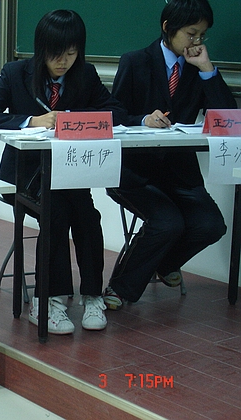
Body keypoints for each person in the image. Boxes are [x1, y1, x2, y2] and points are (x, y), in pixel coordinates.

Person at [0, 10, 127, 334]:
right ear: (41, 48)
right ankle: (48, 300)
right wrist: (31, 121)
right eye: (56, 54)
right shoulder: (16, 73)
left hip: (71, 174)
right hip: (27, 177)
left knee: (88, 217)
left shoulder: (85, 74)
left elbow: (116, 111)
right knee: (56, 215)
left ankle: (92, 295)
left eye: (71, 53)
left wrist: (76, 119)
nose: (63, 62)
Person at [104, 0, 237, 310]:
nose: (197, 41)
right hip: (134, 173)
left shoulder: (196, 68)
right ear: (168, 28)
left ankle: (164, 264)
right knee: (168, 223)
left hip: (180, 173)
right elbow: (113, 114)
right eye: (191, 34)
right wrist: (142, 120)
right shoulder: (135, 62)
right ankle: (121, 288)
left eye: (202, 35)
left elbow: (229, 118)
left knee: (211, 225)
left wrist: (206, 68)